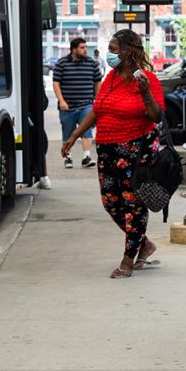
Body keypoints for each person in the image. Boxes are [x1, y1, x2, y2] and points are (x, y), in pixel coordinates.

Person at [62, 29, 164, 279]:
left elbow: (157, 116)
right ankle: (145, 244)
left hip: (133, 150)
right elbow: (98, 110)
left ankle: (128, 260)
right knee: (111, 202)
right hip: (106, 150)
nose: (110, 53)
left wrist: (145, 94)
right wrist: (75, 135)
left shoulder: (147, 79)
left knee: (134, 204)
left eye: (114, 48)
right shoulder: (111, 77)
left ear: (128, 51)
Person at [53, 37, 102, 169]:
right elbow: (56, 83)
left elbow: (98, 81)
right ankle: (68, 158)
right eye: (82, 47)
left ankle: (86, 157)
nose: (85, 50)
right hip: (67, 106)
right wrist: (61, 101)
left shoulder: (92, 63)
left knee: (87, 130)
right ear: (73, 49)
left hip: (86, 104)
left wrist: (98, 99)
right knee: (68, 133)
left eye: (85, 47)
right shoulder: (62, 63)